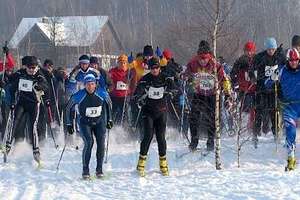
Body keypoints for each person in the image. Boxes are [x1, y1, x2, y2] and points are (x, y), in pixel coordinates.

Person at [185, 40, 232, 151]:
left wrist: (227, 94)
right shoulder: (192, 63)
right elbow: (185, 74)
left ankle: (210, 140)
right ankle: (194, 141)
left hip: (212, 95)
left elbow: (224, 79)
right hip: (199, 94)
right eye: (201, 58)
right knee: (194, 117)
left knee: (212, 118)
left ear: (209, 56)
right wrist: (187, 78)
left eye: (205, 58)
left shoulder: (215, 65)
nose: (203, 61)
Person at [65, 74, 113, 179]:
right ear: (84, 85)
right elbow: (68, 108)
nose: (90, 87)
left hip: (99, 122)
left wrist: (109, 119)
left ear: (95, 84)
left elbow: (109, 105)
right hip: (84, 122)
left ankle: (99, 169)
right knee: (89, 142)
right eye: (87, 84)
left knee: (101, 143)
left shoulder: (102, 93)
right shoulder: (78, 95)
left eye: (92, 84)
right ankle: (85, 169)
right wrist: (69, 124)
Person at [134, 57, 175, 177]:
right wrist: (139, 100)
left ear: (159, 68)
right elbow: (137, 93)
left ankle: (163, 163)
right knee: (148, 136)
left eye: (157, 68)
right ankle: (141, 163)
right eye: (152, 68)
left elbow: (174, 89)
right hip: (148, 112)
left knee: (161, 137)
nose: (155, 70)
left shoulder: (165, 78)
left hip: (161, 111)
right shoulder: (145, 79)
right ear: (149, 68)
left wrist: (170, 94)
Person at [5, 56, 50, 164]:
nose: (31, 70)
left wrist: (39, 86)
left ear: (36, 67)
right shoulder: (21, 74)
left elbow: (46, 86)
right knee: (15, 122)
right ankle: (8, 144)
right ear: (26, 67)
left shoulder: (39, 75)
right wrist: (11, 102)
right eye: (29, 68)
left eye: (33, 68)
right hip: (21, 103)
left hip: (34, 104)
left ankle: (36, 150)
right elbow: (11, 85)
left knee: (33, 126)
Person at [265, 48, 300, 171]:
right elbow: (267, 82)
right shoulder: (282, 70)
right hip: (289, 106)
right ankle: (291, 158)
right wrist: (272, 81)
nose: (294, 62)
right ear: (288, 60)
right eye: (291, 60)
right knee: (290, 131)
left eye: (296, 60)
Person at [250, 37, 286, 148]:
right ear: (266, 49)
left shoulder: (279, 57)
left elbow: (285, 67)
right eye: (269, 49)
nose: (271, 51)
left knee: (274, 112)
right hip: (262, 89)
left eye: (273, 49)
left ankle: (276, 134)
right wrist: (252, 77)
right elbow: (251, 69)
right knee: (259, 111)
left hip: (274, 89)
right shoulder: (260, 57)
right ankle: (255, 134)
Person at [230, 41, 257, 132]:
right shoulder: (240, 61)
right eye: (247, 51)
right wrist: (234, 82)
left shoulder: (257, 60)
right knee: (245, 109)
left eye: (251, 51)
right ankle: (244, 129)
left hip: (255, 89)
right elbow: (233, 73)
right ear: (244, 51)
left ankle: (254, 128)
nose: (249, 53)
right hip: (244, 89)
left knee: (255, 109)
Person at [109, 54, 137, 125]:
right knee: (113, 113)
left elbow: (133, 82)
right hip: (114, 96)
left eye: (124, 63)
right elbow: (109, 79)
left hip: (125, 96)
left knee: (126, 113)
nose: (123, 64)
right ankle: (111, 126)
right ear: (118, 63)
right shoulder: (113, 71)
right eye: (121, 62)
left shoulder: (129, 71)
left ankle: (125, 127)